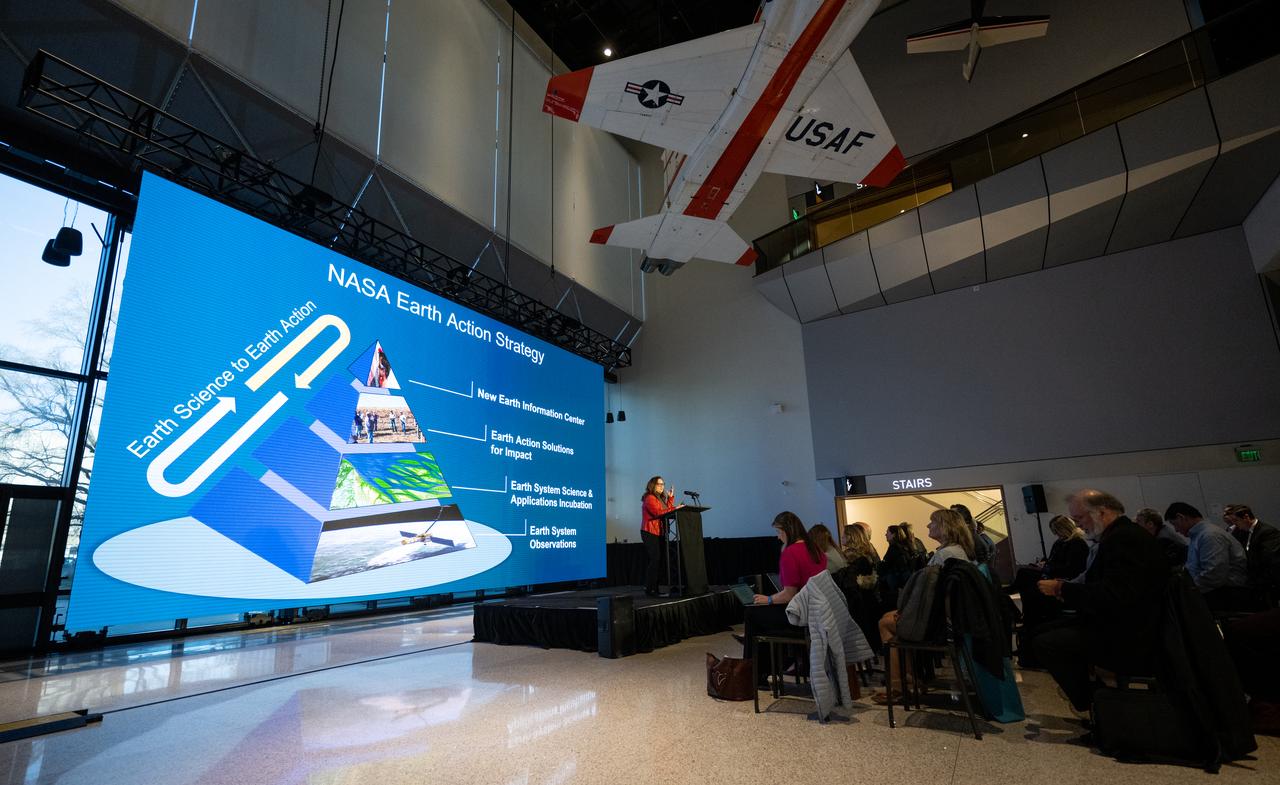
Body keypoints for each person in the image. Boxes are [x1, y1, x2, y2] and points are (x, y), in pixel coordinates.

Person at [1032, 489, 1168, 716]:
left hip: (1131, 631)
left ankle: (1094, 702)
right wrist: (1066, 589)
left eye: (1079, 518)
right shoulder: (1119, 536)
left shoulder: (1124, 539)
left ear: (1102, 513)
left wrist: (1061, 589)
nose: (1078, 524)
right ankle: (1097, 698)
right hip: (1122, 620)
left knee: (1046, 643)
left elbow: (1115, 595)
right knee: (1041, 631)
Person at [871, 509, 974, 703]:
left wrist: (905, 612)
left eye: (932, 522)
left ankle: (899, 687)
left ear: (945, 527)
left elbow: (929, 597)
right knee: (887, 617)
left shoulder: (945, 555)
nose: (928, 525)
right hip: (943, 618)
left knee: (884, 623)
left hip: (936, 624)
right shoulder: (955, 551)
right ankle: (909, 681)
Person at [743, 512, 826, 679]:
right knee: (764, 616)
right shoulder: (816, 550)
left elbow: (789, 595)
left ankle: (755, 674)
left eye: (778, 532)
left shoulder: (790, 553)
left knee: (753, 614)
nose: (778, 537)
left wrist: (768, 599)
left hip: (800, 616)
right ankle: (776, 664)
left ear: (787, 531)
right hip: (818, 613)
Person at [1166, 501, 1249, 609]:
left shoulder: (1209, 536)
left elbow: (1214, 576)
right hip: (1216, 591)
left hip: (1226, 594)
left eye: (1174, 524)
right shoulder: (1200, 536)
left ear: (1181, 517)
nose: (1176, 530)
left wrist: (1187, 590)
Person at [1224, 503, 1280, 595]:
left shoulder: (1268, 532)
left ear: (1246, 517)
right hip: (1252, 578)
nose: (1235, 524)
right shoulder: (1242, 532)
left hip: (1266, 580)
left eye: (1236, 520)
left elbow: (1270, 560)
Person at [640, 476, 680, 597]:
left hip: (660, 532)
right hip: (650, 532)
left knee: (659, 561)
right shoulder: (650, 498)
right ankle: (650, 588)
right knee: (655, 560)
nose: (662, 486)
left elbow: (667, 510)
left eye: (663, 484)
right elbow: (657, 513)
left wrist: (670, 498)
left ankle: (654, 589)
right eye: (659, 484)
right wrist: (676, 508)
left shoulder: (660, 498)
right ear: (653, 485)